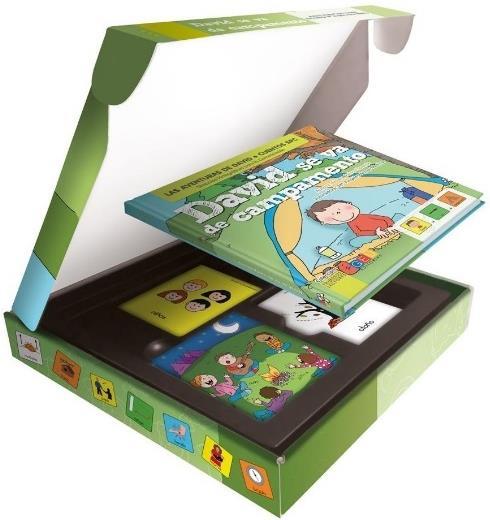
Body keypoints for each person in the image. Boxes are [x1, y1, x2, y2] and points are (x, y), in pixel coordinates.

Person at [307, 200, 394, 238]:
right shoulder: (351, 224)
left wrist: (391, 225)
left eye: (339, 211)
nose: (339, 217)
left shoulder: (363, 216)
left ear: (349, 203)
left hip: (391, 227)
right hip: (380, 233)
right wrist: (376, 232)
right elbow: (359, 233)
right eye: (329, 218)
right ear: (324, 222)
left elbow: (384, 218)